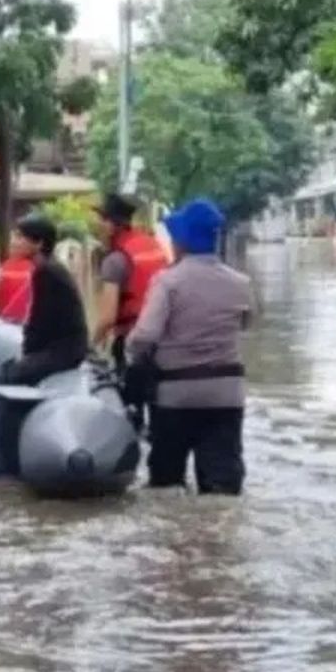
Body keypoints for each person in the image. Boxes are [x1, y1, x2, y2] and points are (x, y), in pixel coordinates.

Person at [124, 198, 255, 494]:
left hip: (175, 396)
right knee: (223, 488)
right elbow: (246, 324)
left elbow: (145, 336)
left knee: (167, 484)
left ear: (181, 241)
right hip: (226, 395)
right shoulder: (240, 282)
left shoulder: (168, 282)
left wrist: (133, 355)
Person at [2, 214, 89, 386]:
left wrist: (27, 354)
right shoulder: (49, 268)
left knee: (8, 375)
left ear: (39, 243)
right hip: (65, 348)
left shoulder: (46, 272)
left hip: (65, 351)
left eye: (20, 237)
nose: (13, 242)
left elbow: (40, 320)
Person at [92, 192, 172, 362]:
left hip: (132, 341)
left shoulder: (115, 261)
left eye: (101, 220)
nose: (97, 226)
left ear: (111, 226)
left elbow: (107, 318)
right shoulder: (153, 245)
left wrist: (91, 346)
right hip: (165, 339)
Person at [0, 230, 36, 325]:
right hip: (24, 324)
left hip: (4, 323)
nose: (14, 243)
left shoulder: (3, 268)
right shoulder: (36, 267)